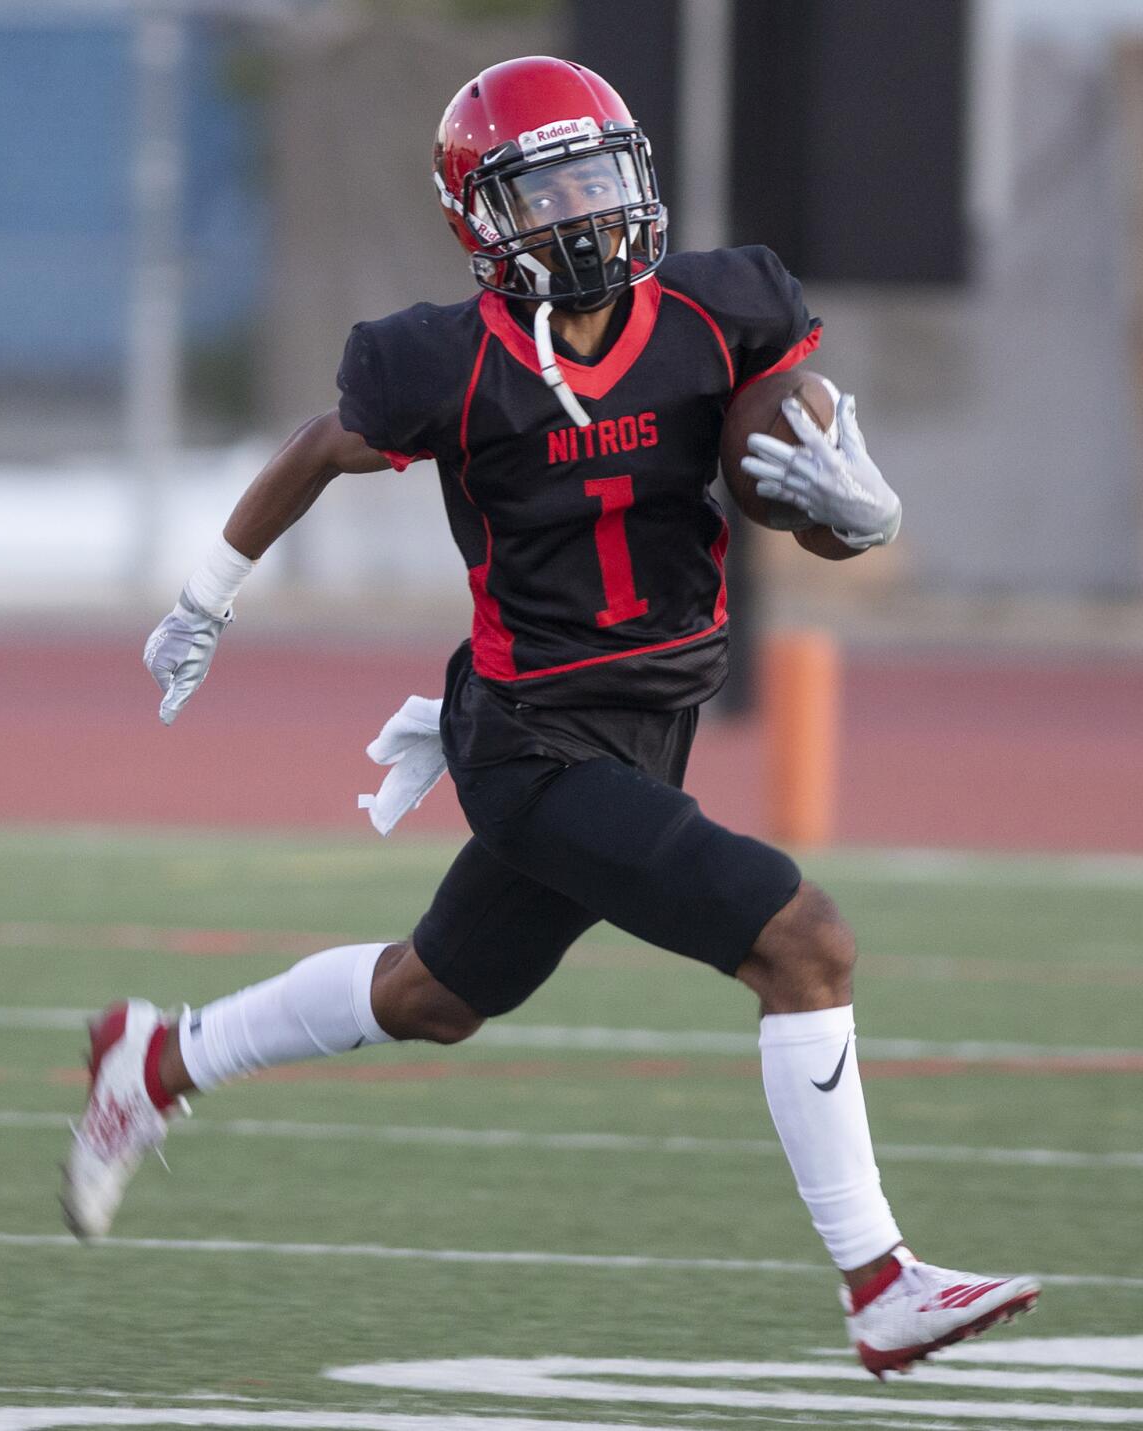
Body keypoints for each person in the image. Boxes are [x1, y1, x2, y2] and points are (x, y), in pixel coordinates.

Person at [62, 55, 1039, 1377]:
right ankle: (882, 1285)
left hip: (643, 726)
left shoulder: (717, 311)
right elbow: (314, 450)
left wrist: (862, 519)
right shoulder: (444, 363)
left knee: (436, 996)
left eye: (597, 175)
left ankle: (157, 1057)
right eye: (547, 187)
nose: (583, 211)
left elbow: (789, 465)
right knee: (804, 942)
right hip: (531, 745)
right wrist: (207, 595)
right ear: (482, 219)